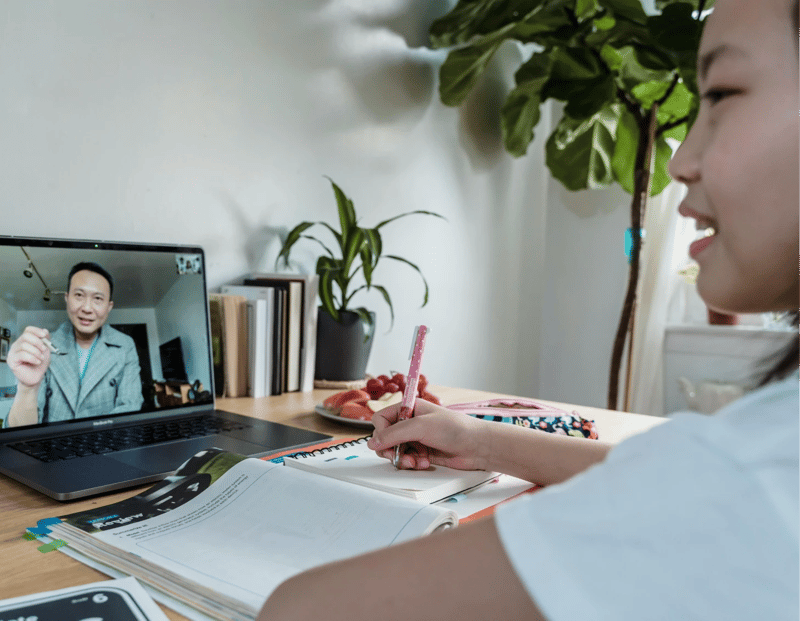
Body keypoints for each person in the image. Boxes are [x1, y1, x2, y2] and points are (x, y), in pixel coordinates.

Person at [257, 0, 799, 619]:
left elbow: (303, 611)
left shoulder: (761, 472)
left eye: (724, 93)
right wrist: (479, 440)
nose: (679, 160)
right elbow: (655, 467)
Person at [6, 262, 143, 427]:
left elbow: (130, 407)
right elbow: (20, 431)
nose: (86, 308)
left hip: (107, 445)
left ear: (109, 307)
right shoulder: (45, 345)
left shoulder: (125, 345)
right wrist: (27, 388)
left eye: (98, 298)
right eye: (79, 295)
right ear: (67, 298)